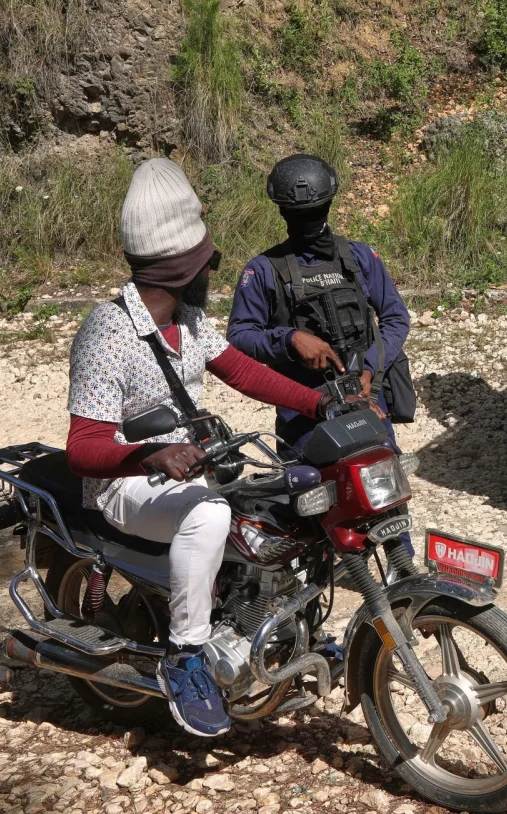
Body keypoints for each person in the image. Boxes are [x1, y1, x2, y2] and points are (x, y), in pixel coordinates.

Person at [66, 158, 351, 737]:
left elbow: (242, 371)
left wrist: (320, 403)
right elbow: (83, 447)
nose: (212, 274)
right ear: (180, 269)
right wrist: (147, 455)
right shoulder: (106, 332)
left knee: (292, 500)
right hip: (126, 484)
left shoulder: (189, 319)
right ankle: (186, 658)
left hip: (191, 470)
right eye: (207, 264)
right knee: (211, 515)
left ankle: (281, 627)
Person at [228, 154, 411, 456]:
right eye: (298, 213)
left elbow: (396, 318)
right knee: (307, 480)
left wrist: (368, 370)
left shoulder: (359, 257)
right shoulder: (262, 270)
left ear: (328, 205)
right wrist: (290, 339)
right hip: (301, 409)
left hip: (365, 397)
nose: (307, 219)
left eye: (314, 210)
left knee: (383, 474)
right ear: (283, 212)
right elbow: (239, 336)